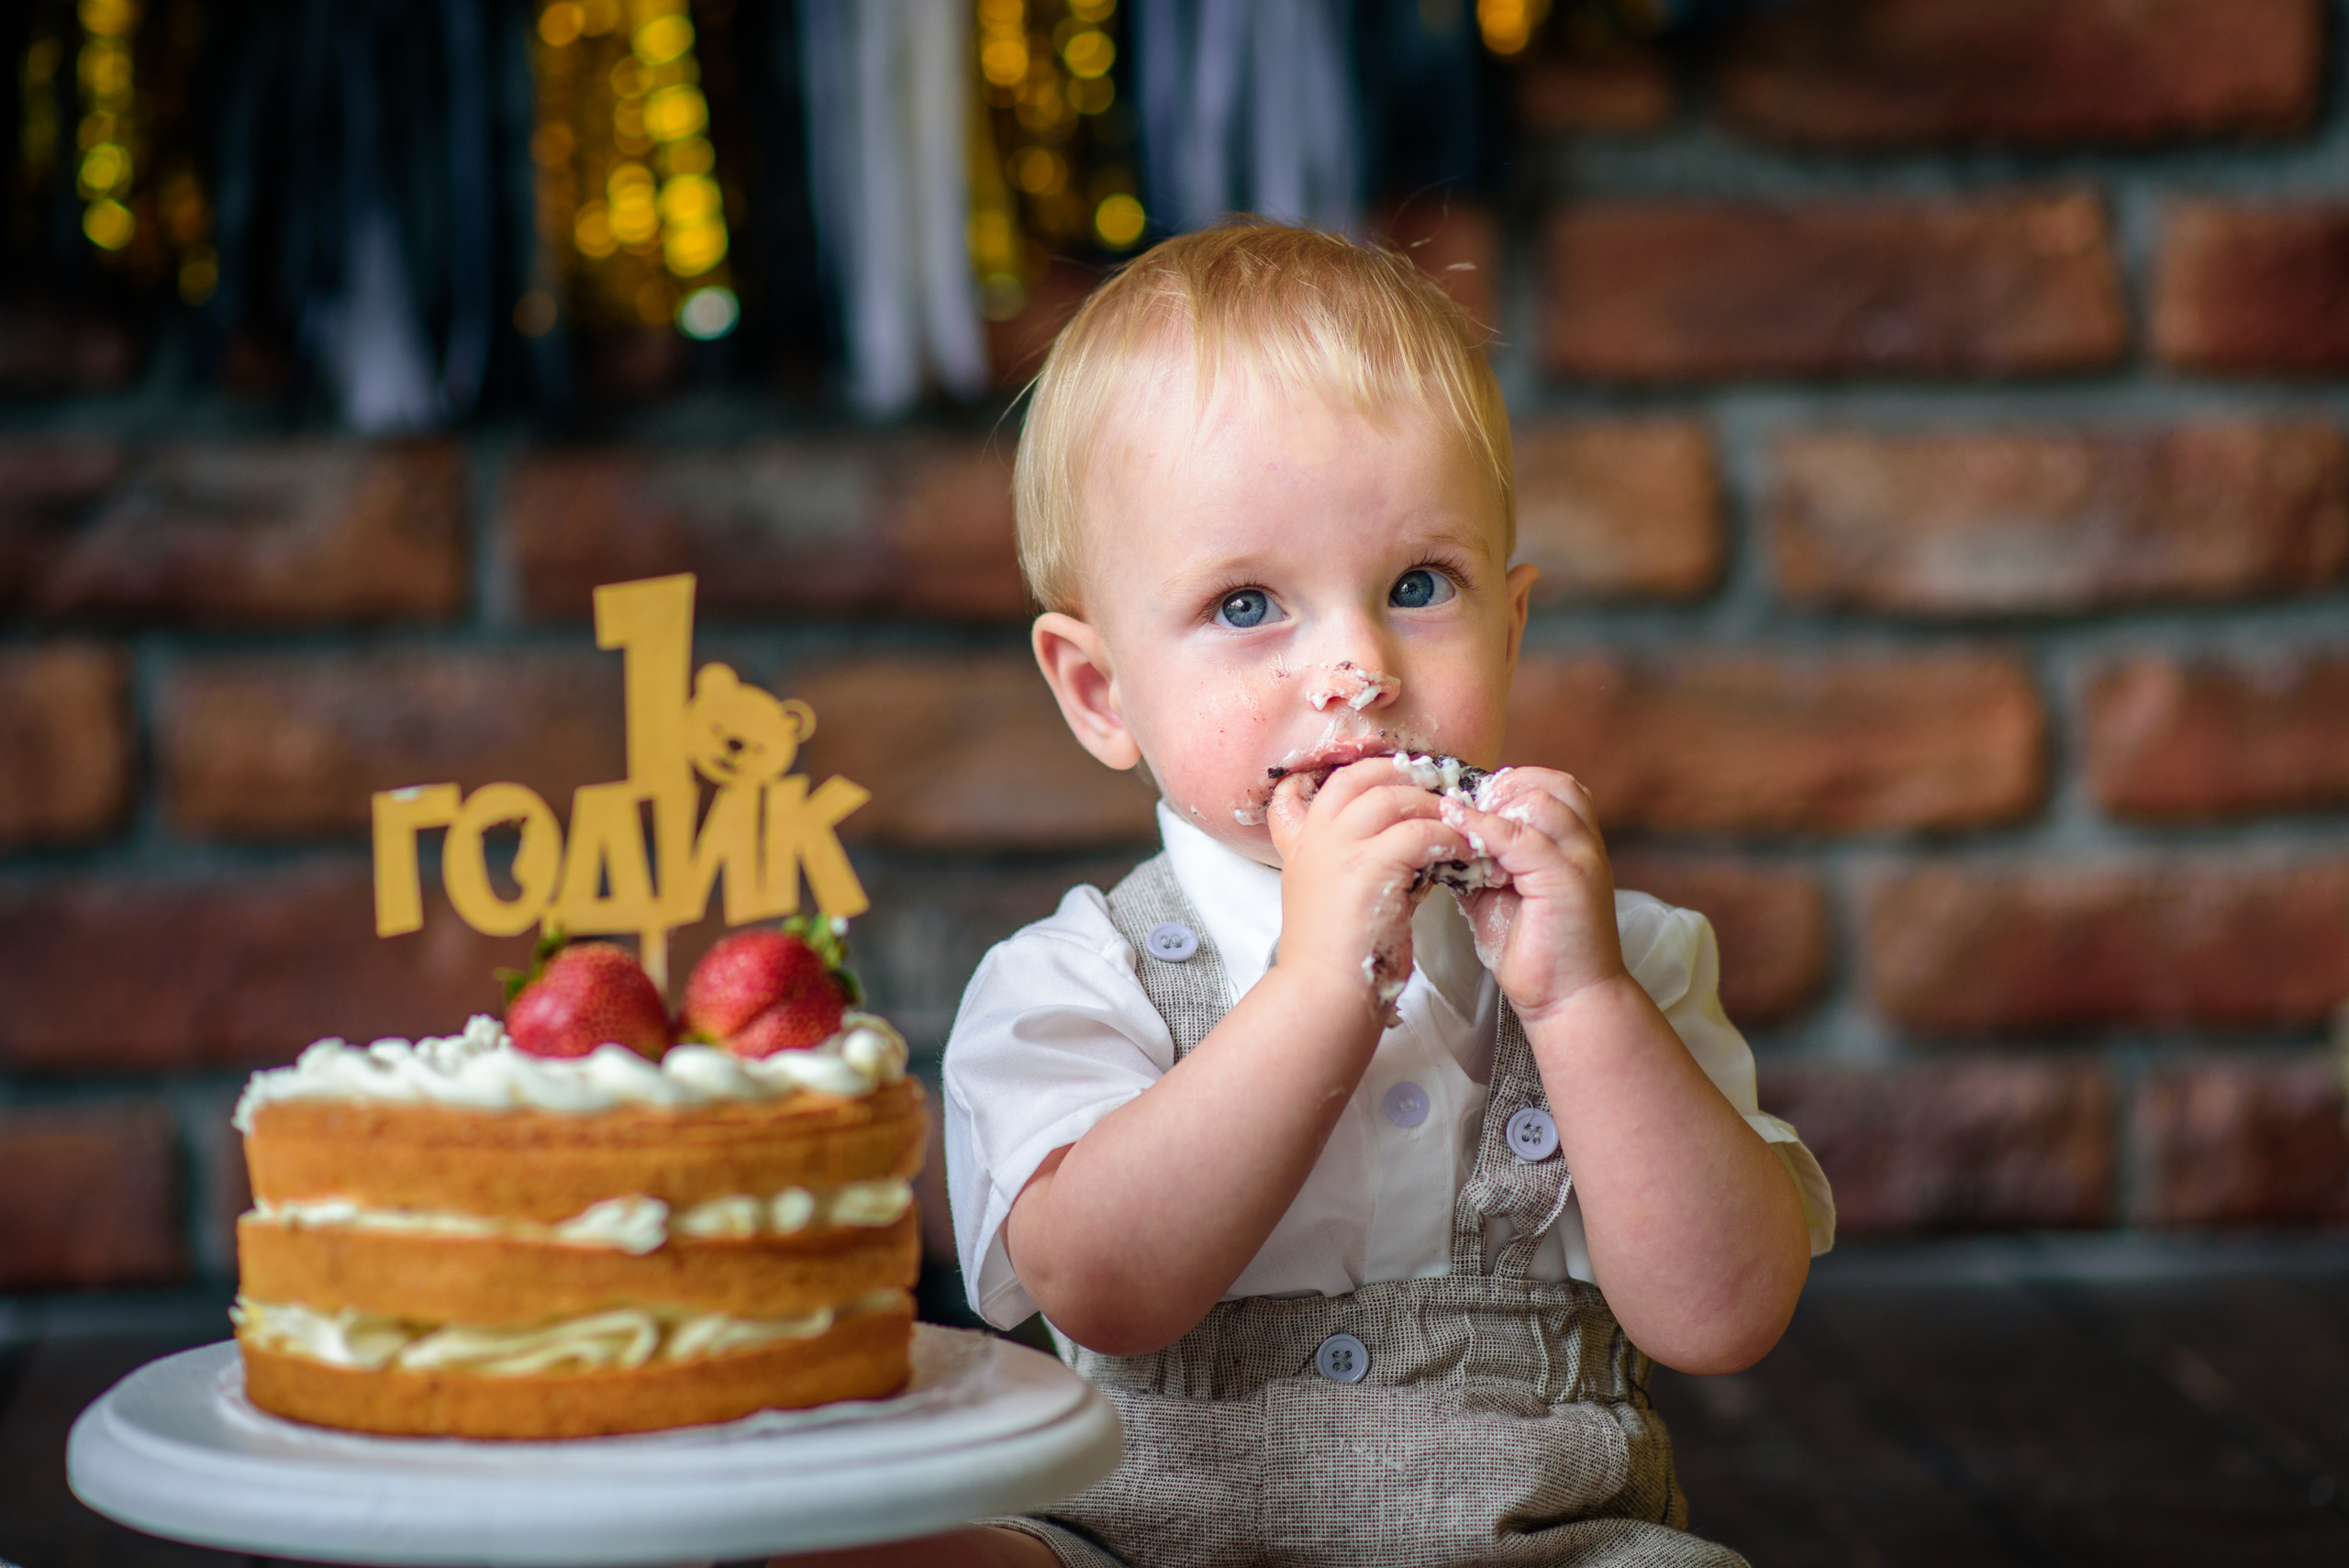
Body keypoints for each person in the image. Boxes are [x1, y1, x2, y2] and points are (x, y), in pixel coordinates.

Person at [791, 220, 1833, 1568]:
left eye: (1416, 585)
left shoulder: (1622, 953)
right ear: (1100, 691)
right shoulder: (1074, 978)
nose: (1357, 664)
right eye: (1246, 606)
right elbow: (1105, 1292)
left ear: (1511, 630)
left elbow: (1724, 1314)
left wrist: (1583, 1003)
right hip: (1136, 1541)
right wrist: (1313, 984)